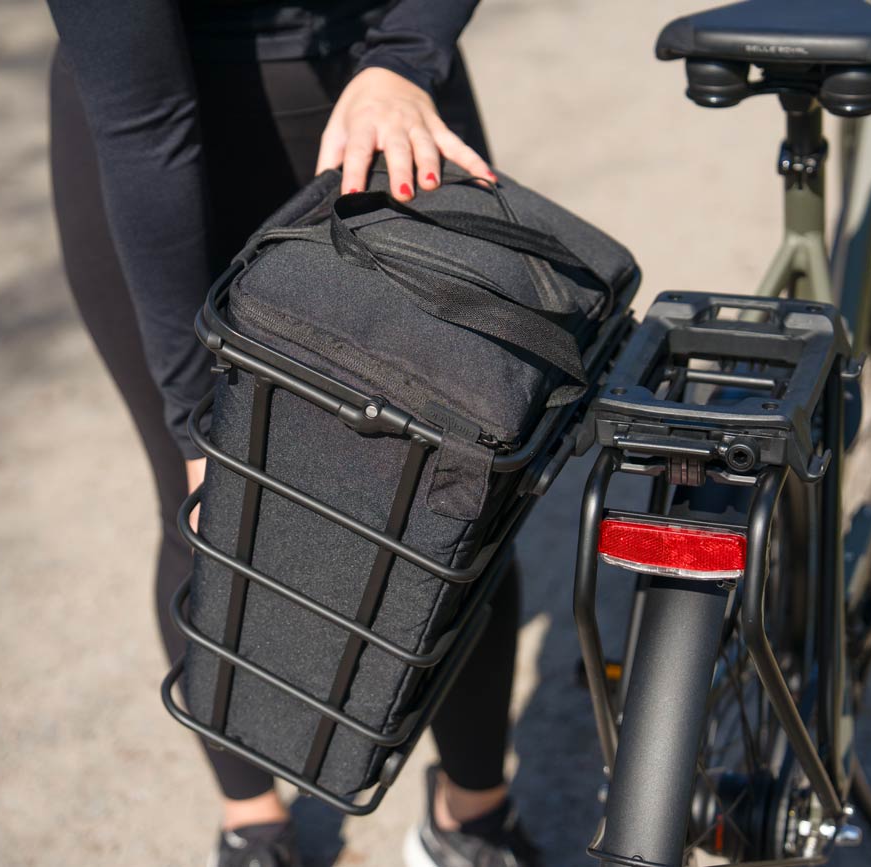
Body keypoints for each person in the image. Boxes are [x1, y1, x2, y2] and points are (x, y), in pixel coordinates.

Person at [44, 2, 539, 864]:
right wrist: (198, 431)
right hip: (153, 147)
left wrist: (406, 53)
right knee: (210, 516)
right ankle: (254, 823)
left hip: (392, 105)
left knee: (458, 505)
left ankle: (473, 817)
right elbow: (143, 124)